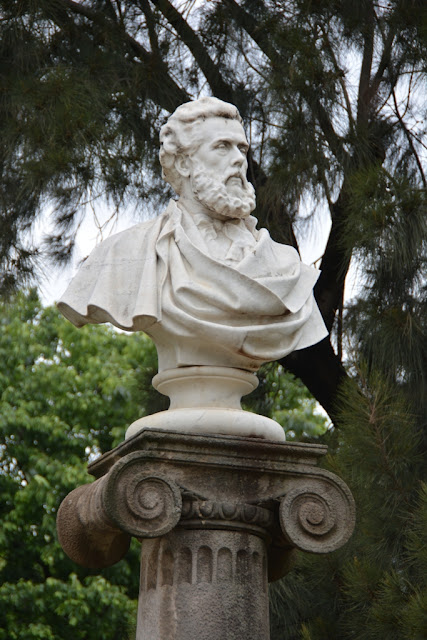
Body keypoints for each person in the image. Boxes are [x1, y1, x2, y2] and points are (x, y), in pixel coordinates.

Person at [58, 97, 327, 373]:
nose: (238, 159)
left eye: (242, 148)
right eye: (222, 147)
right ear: (185, 163)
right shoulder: (124, 253)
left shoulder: (284, 265)